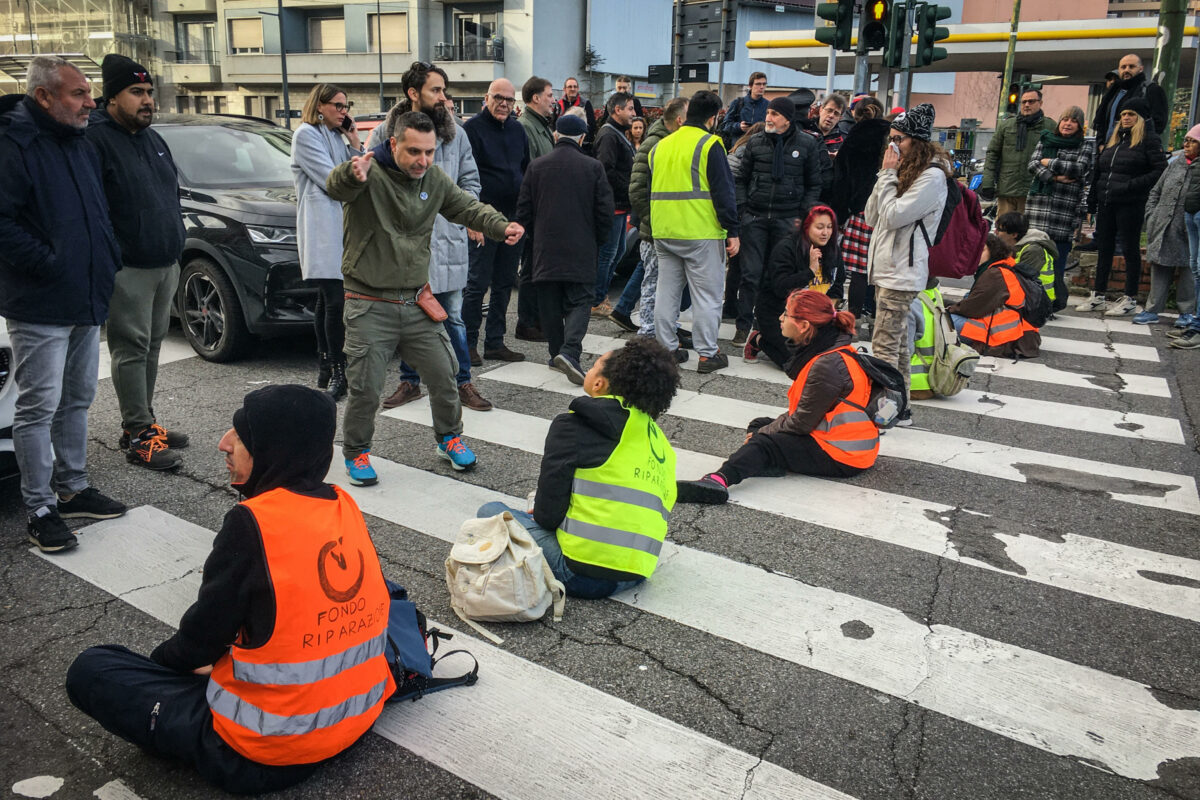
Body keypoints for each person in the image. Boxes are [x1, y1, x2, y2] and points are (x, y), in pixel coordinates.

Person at [66, 385, 395, 794]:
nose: (224, 443)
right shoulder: (342, 504)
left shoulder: (253, 523)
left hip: (263, 753)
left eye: (241, 436)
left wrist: (159, 671)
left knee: (94, 667)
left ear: (274, 451)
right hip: (355, 720)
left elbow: (198, 643)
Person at [326, 111, 523, 485]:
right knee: (366, 386)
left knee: (445, 373)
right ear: (394, 143)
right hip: (369, 302)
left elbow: (466, 207)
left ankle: (448, 439)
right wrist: (350, 174)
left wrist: (500, 226)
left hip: (416, 299)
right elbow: (336, 188)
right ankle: (357, 453)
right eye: (415, 151)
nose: (423, 160)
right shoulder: (368, 172)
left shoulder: (432, 178)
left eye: (429, 152)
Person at [0, 55, 126, 553]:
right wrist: (50, 263)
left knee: (77, 399)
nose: (90, 102)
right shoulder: (14, 143)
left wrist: (107, 256)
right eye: (78, 93)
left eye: (89, 92)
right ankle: (40, 507)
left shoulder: (79, 139)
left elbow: (98, 209)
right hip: (40, 300)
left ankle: (72, 488)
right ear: (43, 97)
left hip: (85, 294)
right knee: (38, 407)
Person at [477, 337, 679, 598]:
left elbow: (547, 516)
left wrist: (539, 515)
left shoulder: (575, 425)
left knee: (490, 511)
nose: (590, 369)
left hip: (581, 574)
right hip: (638, 572)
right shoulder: (659, 442)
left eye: (594, 365)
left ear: (598, 383)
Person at [368, 62, 494, 413]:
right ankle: (410, 382)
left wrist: (468, 214)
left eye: (443, 90)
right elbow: (368, 184)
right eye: (436, 90)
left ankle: (463, 381)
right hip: (403, 242)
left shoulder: (456, 134)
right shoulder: (383, 134)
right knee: (408, 314)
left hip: (446, 237)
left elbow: (470, 179)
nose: (443, 97)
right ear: (413, 93)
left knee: (451, 315)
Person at [676, 290, 880, 505]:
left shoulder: (826, 364)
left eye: (786, 314)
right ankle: (766, 461)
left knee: (764, 440)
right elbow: (805, 414)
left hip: (844, 455)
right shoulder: (830, 350)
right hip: (844, 441)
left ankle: (718, 480)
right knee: (760, 424)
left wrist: (761, 436)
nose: (780, 318)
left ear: (803, 326)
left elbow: (800, 424)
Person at [87, 54, 188, 470]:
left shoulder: (151, 137)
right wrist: (113, 255)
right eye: (136, 92)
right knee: (130, 348)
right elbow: (93, 209)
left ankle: (142, 425)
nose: (147, 101)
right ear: (112, 97)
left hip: (165, 261)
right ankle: (139, 435)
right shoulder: (95, 140)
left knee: (151, 348)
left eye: (149, 92)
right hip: (128, 266)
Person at [515, 114, 615, 384]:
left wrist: (534, 238)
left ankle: (555, 353)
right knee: (580, 301)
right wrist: (598, 239)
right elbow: (605, 212)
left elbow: (524, 210)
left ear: (556, 136)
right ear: (583, 138)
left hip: (545, 248)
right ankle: (569, 352)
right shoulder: (593, 167)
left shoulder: (536, 167)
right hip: (581, 246)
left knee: (548, 302)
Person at [649, 90, 741, 373]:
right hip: (700, 231)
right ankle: (707, 353)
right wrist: (732, 230)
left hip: (664, 229)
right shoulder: (710, 144)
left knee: (666, 292)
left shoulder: (661, 145)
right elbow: (723, 192)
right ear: (713, 118)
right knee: (708, 295)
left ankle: (667, 348)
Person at [864, 103, 949, 402]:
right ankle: (902, 407)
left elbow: (893, 217)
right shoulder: (902, 171)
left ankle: (886, 406)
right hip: (887, 268)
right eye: (891, 138)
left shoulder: (932, 177)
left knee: (884, 345)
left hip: (901, 271)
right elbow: (872, 217)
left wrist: (888, 175)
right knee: (898, 345)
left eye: (899, 139)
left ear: (918, 141)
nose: (893, 145)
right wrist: (885, 177)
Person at [732, 96, 822, 345]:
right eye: (768, 113)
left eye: (774, 114)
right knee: (750, 275)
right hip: (756, 217)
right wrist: (743, 210)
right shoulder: (756, 141)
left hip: (787, 220)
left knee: (777, 276)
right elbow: (742, 178)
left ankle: (770, 325)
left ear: (787, 118)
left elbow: (814, 184)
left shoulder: (807, 144)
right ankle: (743, 325)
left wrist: (801, 217)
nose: (768, 118)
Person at [292, 83, 361, 402]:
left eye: (346, 106)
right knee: (335, 299)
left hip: (338, 226)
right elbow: (334, 180)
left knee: (326, 298)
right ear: (320, 105)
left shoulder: (335, 136)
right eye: (338, 106)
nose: (344, 112)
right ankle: (337, 369)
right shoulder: (306, 135)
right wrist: (352, 171)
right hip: (322, 227)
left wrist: (354, 140)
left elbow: (359, 173)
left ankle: (324, 363)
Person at [463, 78, 530, 363]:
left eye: (509, 99)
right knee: (477, 283)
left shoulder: (517, 129)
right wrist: (472, 218)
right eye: (498, 98)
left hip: (512, 218)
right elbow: (465, 176)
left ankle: (495, 342)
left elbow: (524, 169)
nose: (504, 103)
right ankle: (467, 344)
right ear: (486, 98)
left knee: (504, 281)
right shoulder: (471, 130)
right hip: (483, 218)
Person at [1078, 101, 1167, 315]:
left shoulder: (1149, 141)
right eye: (1123, 114)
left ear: (1141, 118)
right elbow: (1099, 172)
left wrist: (1131, 186)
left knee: (1130, 249)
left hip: (1130, 202)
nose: (1125, 118)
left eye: (1130, 114)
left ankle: (1130, 298)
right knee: (1104, 248)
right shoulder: (1114, 141)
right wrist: (1092, 201)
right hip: (1107, 201)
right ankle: (1098, 294)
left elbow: (1159, 170)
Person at [745, 205, 844, 374]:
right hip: (780, 314)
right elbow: (780, 288)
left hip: (813, 316)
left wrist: (829, 312)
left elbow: (837, 285)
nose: (825, 233)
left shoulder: (833, 249)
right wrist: (810, 272)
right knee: (797, 365)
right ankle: (759, 339)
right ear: (806, 227)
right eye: (819, 227)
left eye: (829, 227)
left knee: (827, 358)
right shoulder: (787, 247)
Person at [622, 96, 691, 339]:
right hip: (655, 230)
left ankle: (663, 328)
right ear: (680, 119)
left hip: (667, 228)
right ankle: (648, 332)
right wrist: (655, 219)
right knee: (653, 282)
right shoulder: (655, 142)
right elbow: (637, 189)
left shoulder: (669, 140)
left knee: (666, 284)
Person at [1025, 105, 1094, 312]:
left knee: (1057, 261)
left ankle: (1050, 304)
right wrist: (1053, 176)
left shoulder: (1084, 146)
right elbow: (1033, 164)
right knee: (1034, 255)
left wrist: (1048, 162)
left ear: (1080, 126)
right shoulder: (1045, 140)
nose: (1068, 123)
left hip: (1064, 211)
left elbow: (1079, 169)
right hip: (1038, 207)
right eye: (1065, 119)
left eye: (1073, 121)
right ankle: (1031, 300)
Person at [829, 97, 889, 321]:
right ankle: (876, 312)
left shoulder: (853, 139)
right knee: (880, 267)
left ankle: (854, 314)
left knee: (859, 271)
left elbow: (842, 179)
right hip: (886, 207)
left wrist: (843, 210)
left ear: (856, 114)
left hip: (860, 209)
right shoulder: (890, 138)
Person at [1138, 131, 1199, 327]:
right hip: (1165, 224)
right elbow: (1156, 191)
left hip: (1190, 226)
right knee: (1160, 265)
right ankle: (1152, 309)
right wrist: (1152, 215)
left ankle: (1186, 312)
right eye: (1186, 140)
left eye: (1193, 141)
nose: (1187, 145)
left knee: (1189, 269)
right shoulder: (1176, 163)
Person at [948, 233, 1041, 358]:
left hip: (1007, 337)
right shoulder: (1005, 267)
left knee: (943, 320)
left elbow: (972, 308)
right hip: (1021, 334)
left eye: (982, 249)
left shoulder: (995, 274)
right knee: (964, 298)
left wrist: (948, 309)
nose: (977, 253)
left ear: (993, 251)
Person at [513, 75, 556, 343]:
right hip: (534, 210)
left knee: (539, 267)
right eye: (550, 95)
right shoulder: (526, 127)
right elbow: (530, 171)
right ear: (536, 98)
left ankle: (537, 319)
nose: (553, 100)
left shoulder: (539, 125)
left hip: (543, 208)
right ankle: (526, 322)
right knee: (530, 268)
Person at [592, 91, 636, 315]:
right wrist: (629, 187)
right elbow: (606, 169)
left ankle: (600, 296)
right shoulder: (609, 135)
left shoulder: (618, 133)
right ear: (617, 110)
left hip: (619, 204)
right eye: (630, 108)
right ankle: (596, 299)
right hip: (612, 205)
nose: (634, 113)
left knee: (616, 253)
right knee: (608, 254)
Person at [979, 88, 1056, 217]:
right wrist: (988, 182)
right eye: (1024, 102)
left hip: (1034, 190)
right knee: (1004, 231)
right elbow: (992, 153)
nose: (1026, 105)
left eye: (1031, 101)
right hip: (1007, 189)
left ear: (1040, 103)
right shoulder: (1007, 125)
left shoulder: (1050, 126)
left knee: (1028, 233)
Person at [1094, 53, 1169, 145]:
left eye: (1131, 66)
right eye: (1123, 67)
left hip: (1135, 149)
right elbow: (1102, 121)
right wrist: (1101, 144)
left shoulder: (1151, 90)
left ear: (1141, 68)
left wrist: (1138, 143)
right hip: (1109, 149)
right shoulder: (1113, 92)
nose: (1127, 70)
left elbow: (1158, 123)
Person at [995, 211, 1058, 310]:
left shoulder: (1033, 250)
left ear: (1014, 235)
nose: (996, 232)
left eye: (1000, 230)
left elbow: (1020, 281)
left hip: (1038, 302)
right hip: (1030, 297)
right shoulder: (1015, 246)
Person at [907, 276, 947, 400]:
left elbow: (904, 350)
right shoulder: (934, 292)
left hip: (913, 382)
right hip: (937, 377)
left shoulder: (911, 302)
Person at [720, 72, 768, 144]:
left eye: (764, 84)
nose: (762, 87)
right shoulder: (737, 103)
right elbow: (725, 126)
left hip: (760, 147)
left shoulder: (769, 105)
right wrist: (739, 126)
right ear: (750, 86)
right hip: (739, 147)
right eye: (758, 84)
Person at [556, 77, 596, 150]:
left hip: (582, 146)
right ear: (564, 89)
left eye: (575, 86)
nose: (573, 89)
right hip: (562, 145)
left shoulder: (585, 103)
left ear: (578, 88)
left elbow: (592, 126)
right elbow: (553, 124)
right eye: (570, 87)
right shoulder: (559, 104)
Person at [814, 93, 854, 158]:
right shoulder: (806, 132)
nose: (831, 115)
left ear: (840, 118)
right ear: (821, 110)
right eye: (829, 110)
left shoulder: (844, 140)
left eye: (836, 113)